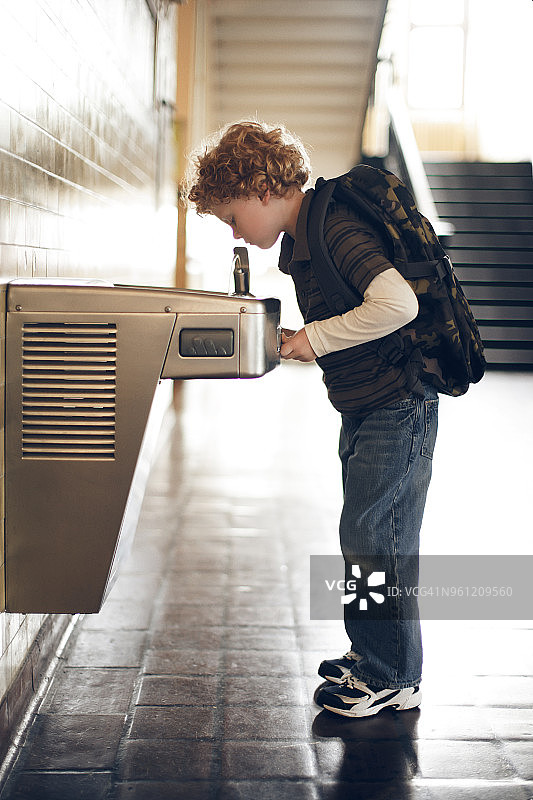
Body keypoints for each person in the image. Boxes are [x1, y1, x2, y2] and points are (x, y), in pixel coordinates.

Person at [187, 120, 438, 718]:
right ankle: (374, 653)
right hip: (369, 407)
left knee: (377, 540)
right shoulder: (307, 235)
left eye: (232, 217)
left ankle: (391, 674)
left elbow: (397, 303)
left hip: (397, 404)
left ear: (261, 189)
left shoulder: (333, 226)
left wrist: (315, 338)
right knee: (368, 537)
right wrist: (307, 339)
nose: (234, 232)